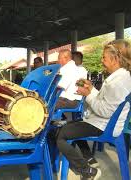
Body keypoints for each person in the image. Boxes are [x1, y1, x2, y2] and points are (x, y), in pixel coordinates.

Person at [56, 39, 131, 179]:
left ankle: (88, 171)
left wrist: (87, 94)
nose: (102, 60)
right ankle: (88, 159)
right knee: (67, 126)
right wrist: (91, 88)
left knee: (60, 134)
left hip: (103, 126)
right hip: (102, 122)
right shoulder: (120, 77)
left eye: (104, 57)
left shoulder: (118, 82)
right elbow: (105, 101)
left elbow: (104, 110)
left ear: (116, 59)